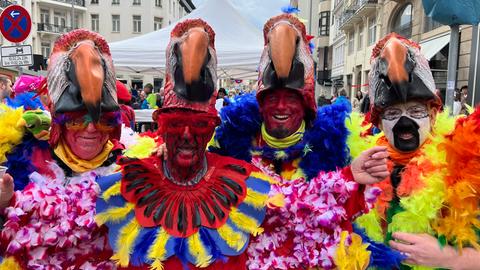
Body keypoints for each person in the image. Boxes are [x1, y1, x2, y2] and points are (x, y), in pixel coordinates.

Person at [209, 14, 391, 269]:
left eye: (291, 98)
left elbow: (338, 218)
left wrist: (351, 178)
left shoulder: (336, 144)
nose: (281, 106)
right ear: (260, 104)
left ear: (306, 104)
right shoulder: (233, 142)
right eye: (272, 97)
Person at [96, 18, 271, 269]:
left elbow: (305, 228)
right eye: (177, 123)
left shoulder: (246, 184)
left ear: (211, 128)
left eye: (199, 125)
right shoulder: (124, 182)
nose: (187, 134)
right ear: (162, 127)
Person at [0, 29, 127, 268]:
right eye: (76, 119)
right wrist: (3, 205)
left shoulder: (129, 163)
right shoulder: (22, 159)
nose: (91, 130)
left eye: (102, 120)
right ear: (58, 119)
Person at [354, 33, 480, 269]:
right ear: (379, 124)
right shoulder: (364, 165)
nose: (404, 122)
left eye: (415, 110)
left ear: (433, 115)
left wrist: (448, 257)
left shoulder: (467, 163)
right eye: (392, 114)